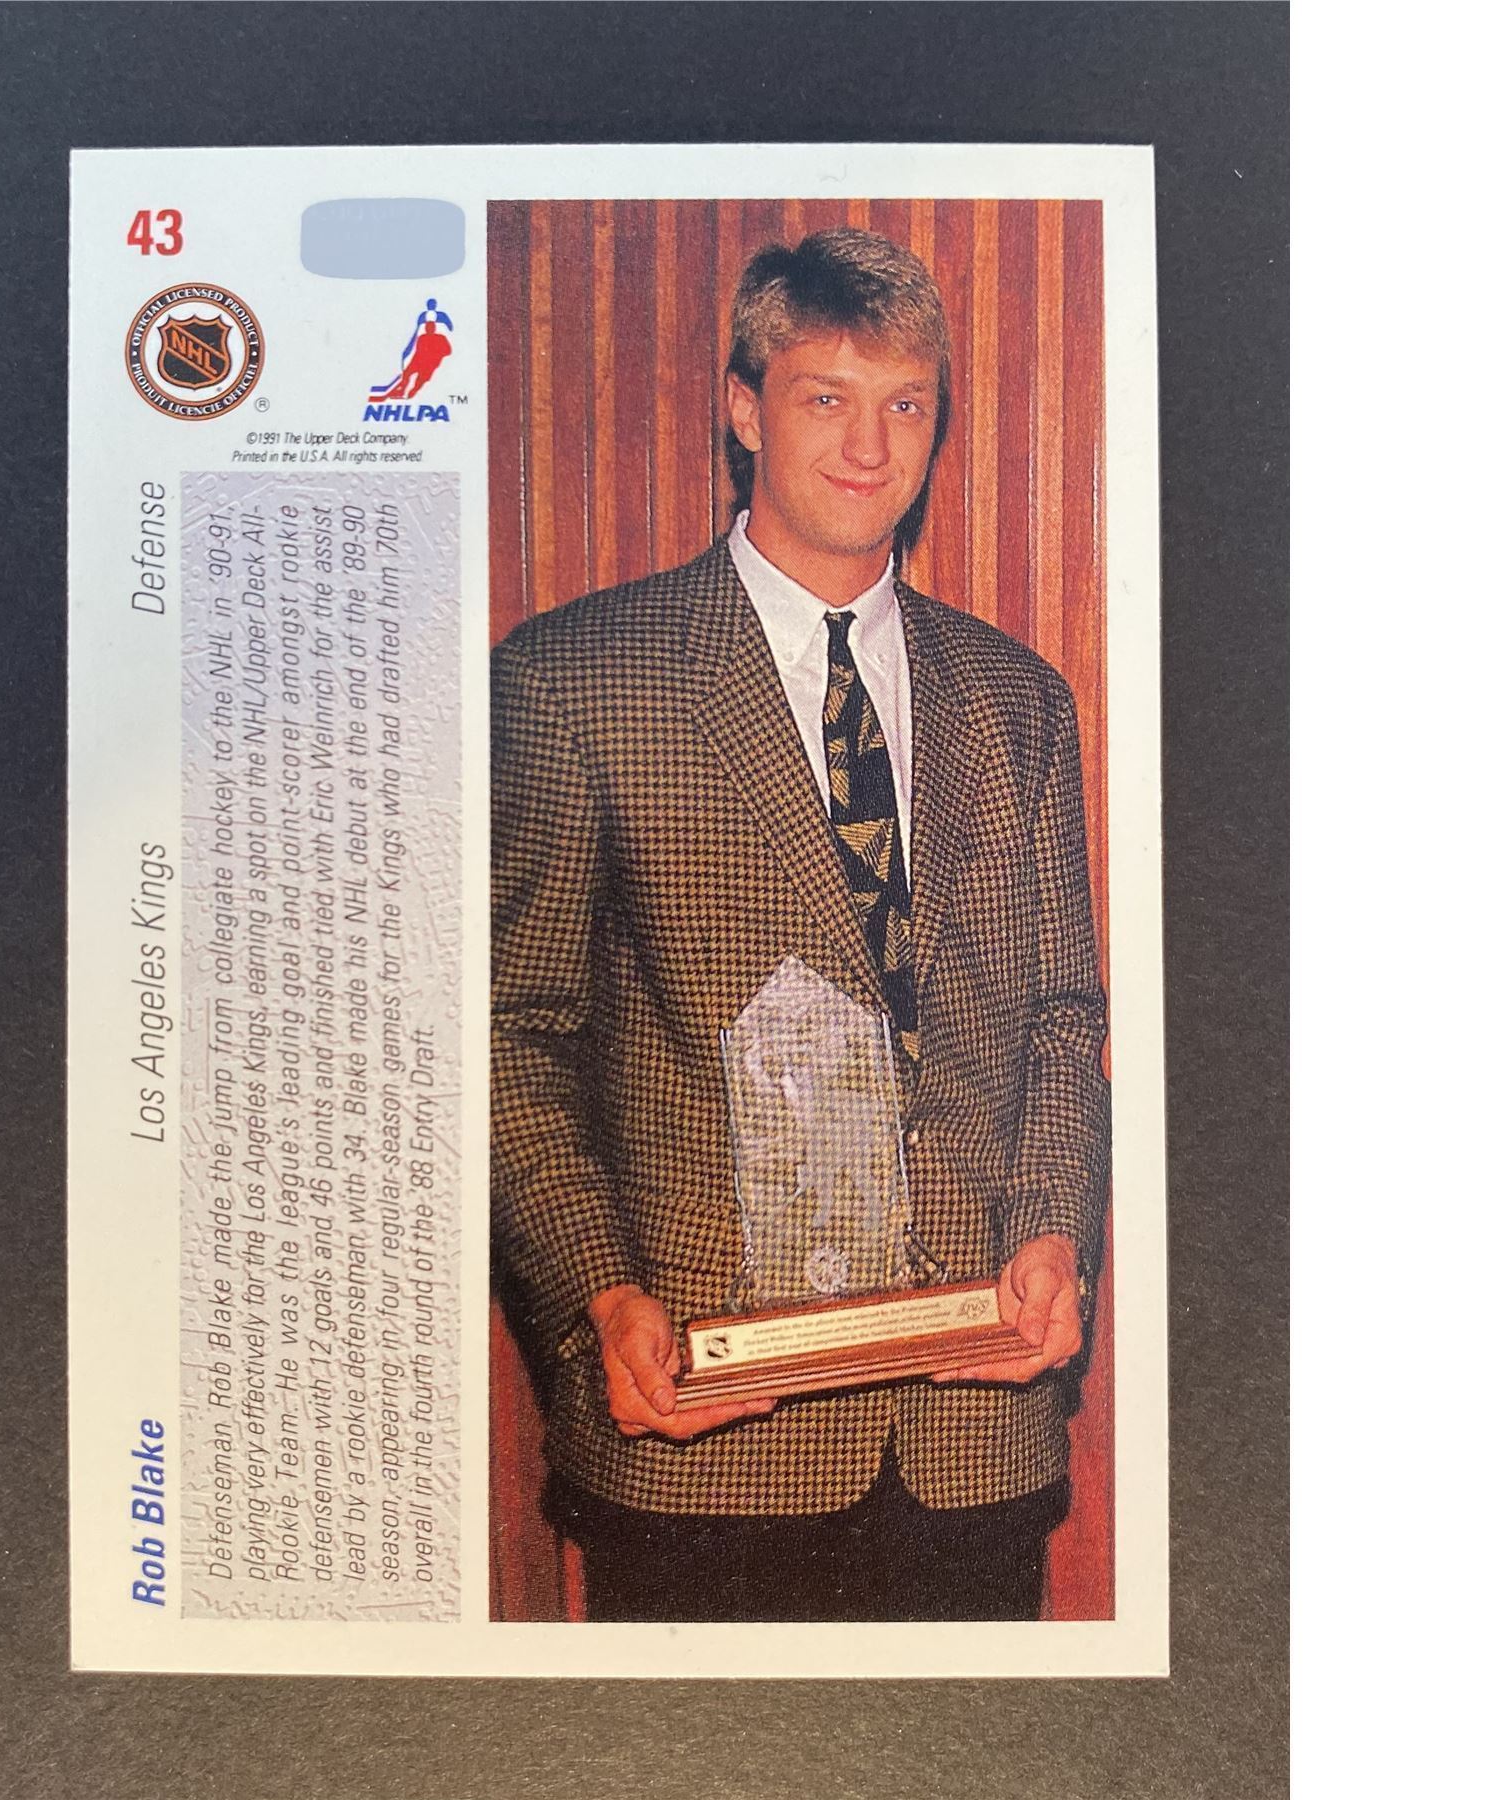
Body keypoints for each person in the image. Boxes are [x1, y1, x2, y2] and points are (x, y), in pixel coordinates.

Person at [490, 229, 1110, 1623]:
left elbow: (1062, 1022)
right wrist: (598, 1294)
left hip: (972, 1433)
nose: (868, 446)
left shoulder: (1018, 701)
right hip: (705, 1434)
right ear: (744, 406)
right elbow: (509, 1038)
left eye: (905, 405)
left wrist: (1055, 1236)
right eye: (826, 396)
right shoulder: (578, 680)